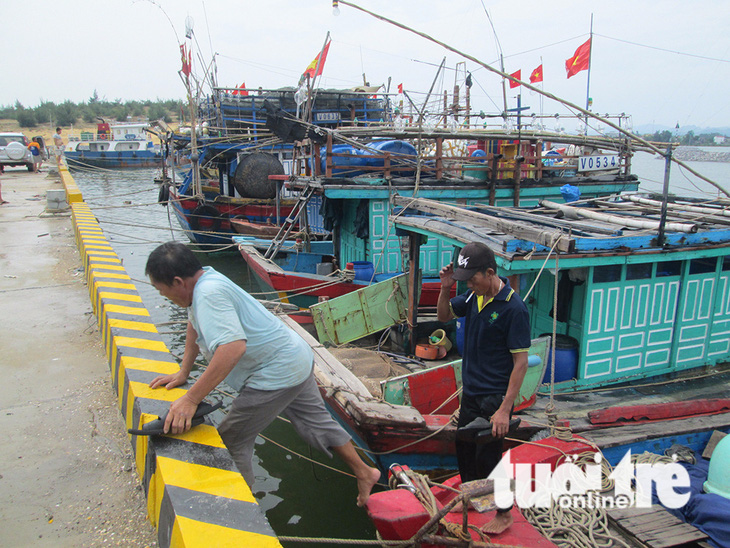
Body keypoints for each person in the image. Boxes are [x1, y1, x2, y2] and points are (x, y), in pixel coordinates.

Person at [145, 241, 380, 506]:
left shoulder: (208, 294)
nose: (164, 296)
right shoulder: (205, 280)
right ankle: (365, 471)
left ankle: (239, 510)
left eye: (160, 290)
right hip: (296, 357)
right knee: (317, 423)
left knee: (232, 440)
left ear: (178, 281)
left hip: (274, 374)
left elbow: (232, 348)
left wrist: (190, 399)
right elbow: (194, 322)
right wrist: (183, 372)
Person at [437, 241, 530, 534]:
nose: (469, 285)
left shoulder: (513, 309)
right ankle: (474, 497)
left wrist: (505, 409)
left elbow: (521, 363)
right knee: (463, 447)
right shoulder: (471, 298)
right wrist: (444, 287)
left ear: (490, 272)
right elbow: (442, 316)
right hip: (472, 392)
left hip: (495, 397)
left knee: (488, 456)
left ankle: (504, 514)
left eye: (472, 279)